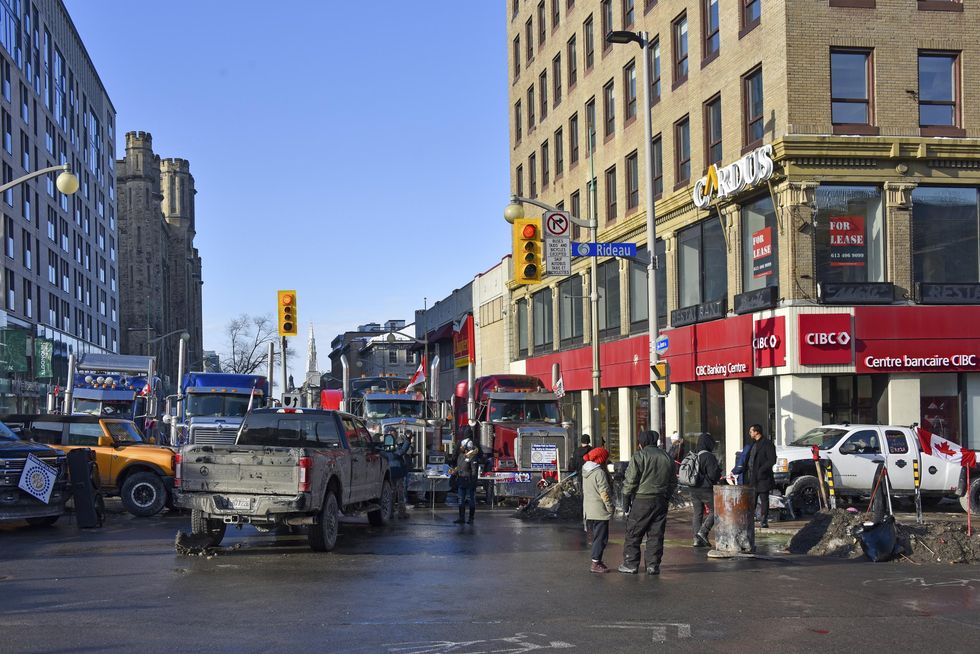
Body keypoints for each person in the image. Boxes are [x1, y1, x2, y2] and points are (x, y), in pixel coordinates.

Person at [619, 430, 677, 575]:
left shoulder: (639, 456)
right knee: (656, 535)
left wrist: (625, 499)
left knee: (634, 533)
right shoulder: (667, 457)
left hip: (642, 500)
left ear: (641, 443)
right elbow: (672, 482)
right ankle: (653, 565)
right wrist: (666, 497)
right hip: (660, 501)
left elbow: (631, 480)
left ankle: (630, 564)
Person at [581, 447, 614, 573]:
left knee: (596, 536)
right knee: (601, 538)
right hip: (599, 510)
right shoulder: (599, 472)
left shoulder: (586, 470)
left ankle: (597, 561)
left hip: (588, 509)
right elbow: (604, 492)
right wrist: (610, 507)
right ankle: (595, 563)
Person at [690, 433, 722, 547]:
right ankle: (703, 531)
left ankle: (696, 539)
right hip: (706, 489)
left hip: (693, 489)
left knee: (697, 513)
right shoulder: (708, 456)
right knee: (717, 510)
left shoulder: (694, 454)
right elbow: (713, 475)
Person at [745, 423, 777, 528]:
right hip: (753, 477)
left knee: (764, 498)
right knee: (752, 500)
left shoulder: (767, 444)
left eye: (751, 431)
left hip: (763, 477)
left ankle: (764, 520)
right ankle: (749, 519)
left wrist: (761, 470)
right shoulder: (753, 444)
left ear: (756, 432)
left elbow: (772, 459)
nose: (749, 433)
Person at [383, 431, 414, 519]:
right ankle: (401, 513)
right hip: (397, 471)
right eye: (394, 433)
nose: (395, 434)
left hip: (390, 471)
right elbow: (401, 452)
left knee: (392, 492)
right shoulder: (391, 446)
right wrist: (408, 440)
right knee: (400, 493)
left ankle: (390, 512)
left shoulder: (385, 445)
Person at [452, 437, 482, 525]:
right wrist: (454, 471)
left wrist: (473, 482)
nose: (460, 447)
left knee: (470, 499)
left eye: (462, 446)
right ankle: (461, 518)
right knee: (461, 500)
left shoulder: (473, 457)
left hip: (469, 481)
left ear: (466, 447)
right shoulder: (461, 456)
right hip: (461, 480)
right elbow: (459, 466)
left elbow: (474, 471)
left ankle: (471, 518)